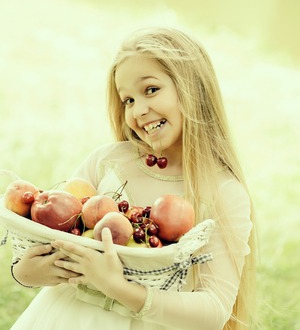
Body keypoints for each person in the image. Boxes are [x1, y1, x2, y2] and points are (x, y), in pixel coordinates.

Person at [9, 27, 256, 330]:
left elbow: (214, 308)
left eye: (151, 90)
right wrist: (25, 272)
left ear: (192, 87)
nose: (138, 110)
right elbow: (46, 243)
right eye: (127, 100)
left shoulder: (222, 191)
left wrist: (119, 288)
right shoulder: (107, 162)